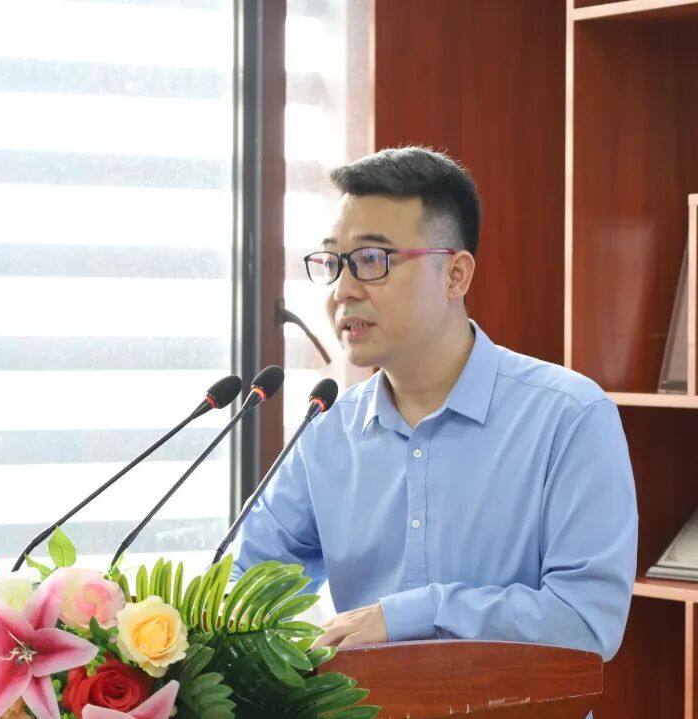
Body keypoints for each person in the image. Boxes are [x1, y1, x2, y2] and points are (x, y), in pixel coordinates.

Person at [230, 147, 637, 662]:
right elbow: (244, 592)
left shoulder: (569, 417)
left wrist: (410, 616)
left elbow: (586, 622)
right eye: (333, 263)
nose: (343, 291)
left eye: (371, 260)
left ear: (455, 275)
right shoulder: (327, 432)